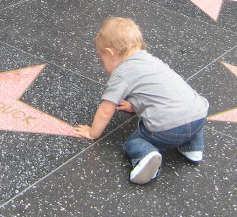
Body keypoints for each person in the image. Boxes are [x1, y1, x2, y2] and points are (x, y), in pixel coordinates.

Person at [74, 17, 209, 185]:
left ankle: (147, 157)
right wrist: (133, 105)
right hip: (198, 117)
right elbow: (154, 91)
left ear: (110, 53)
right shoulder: (150, 60)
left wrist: (92, 133)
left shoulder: (122, 73)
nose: (104, 65)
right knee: (186, 113)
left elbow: (106, 109)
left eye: (103, 60)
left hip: (168, 129)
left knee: (134, 141)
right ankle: (193, 148)